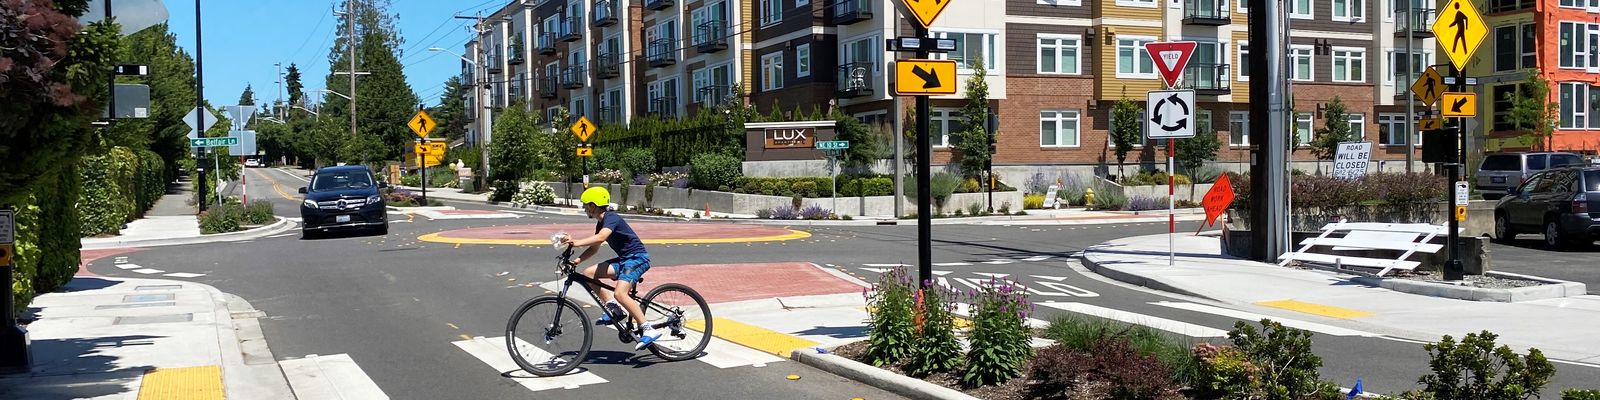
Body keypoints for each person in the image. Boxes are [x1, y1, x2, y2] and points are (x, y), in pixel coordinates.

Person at [559, 186, 662, 349]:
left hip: (637, 258)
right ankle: (615, 310)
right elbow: (595, 247)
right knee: (589, 273)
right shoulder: (601, 223)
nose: (585, 208)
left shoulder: (611, 217)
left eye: (586, 205)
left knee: (620, 293)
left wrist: (575, 242)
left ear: (593, 205)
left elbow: (601, 237)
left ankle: (648, 329)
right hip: (624, 260)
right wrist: (576, 261)